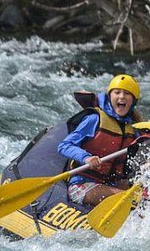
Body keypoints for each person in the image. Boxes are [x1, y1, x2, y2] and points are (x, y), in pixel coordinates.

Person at [58, 74, 142, 206]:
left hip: (111, 184)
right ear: (110, 96)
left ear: (133, 101)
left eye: (127, 93)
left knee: (145, 196)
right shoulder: (94, 119)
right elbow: (64, 145)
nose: (121, 96)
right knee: (130, 199)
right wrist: (86, 158)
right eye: (117, 92)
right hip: (82, 185)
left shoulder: (133, 130)